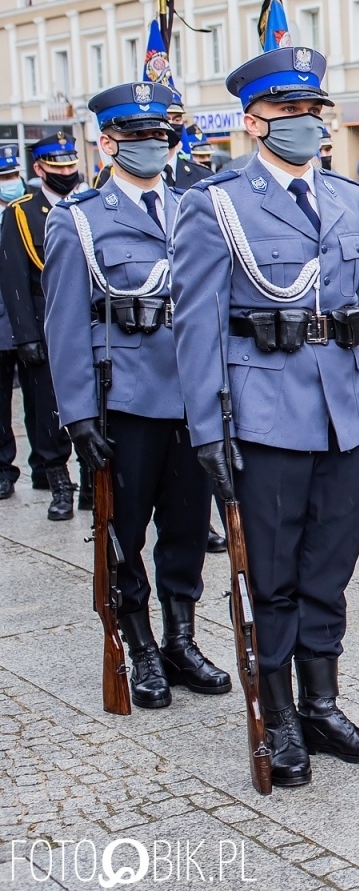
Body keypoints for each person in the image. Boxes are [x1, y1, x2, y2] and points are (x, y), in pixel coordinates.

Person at [170, 45, 359, 787]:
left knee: (330, 566)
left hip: (341, 416)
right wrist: (208, 429)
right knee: (273, 576)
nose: (304, 123)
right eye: (289, 112)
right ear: (254, 121)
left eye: (313, 110)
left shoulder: (348, 197)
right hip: (264, 415)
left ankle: (323, 706)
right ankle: (281, 717)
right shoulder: (218, 203)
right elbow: (196, 325)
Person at [44, 81, 232, 710]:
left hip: (192, 397)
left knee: (184, 526)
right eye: (140, 137)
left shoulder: (194, 208)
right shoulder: (77, 220)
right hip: (123, 403)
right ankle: (140, 642)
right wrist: (75, 415)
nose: (155, 147)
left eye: (163, 136)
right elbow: (64, 325)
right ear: (108, 143)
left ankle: (181, 637)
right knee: (124, 531)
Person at [0, 131, 87, 520]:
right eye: (57, 166)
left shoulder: (90, 204)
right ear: (39, 170)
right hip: (43, 319)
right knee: (47, 410)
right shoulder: (21, 212)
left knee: (94, 405)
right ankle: (58, 485)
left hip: (89, 322)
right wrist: (26, 336)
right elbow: (14, 279)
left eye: (71, 165)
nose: (67, 172)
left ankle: (90, 480)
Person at [0, 146, 24, 500]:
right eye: (4, 179)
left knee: (38, 405)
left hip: (26, 322)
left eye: (12, 176)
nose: (11, 183)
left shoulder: (27, 211)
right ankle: (3, 468)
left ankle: (51, 471)